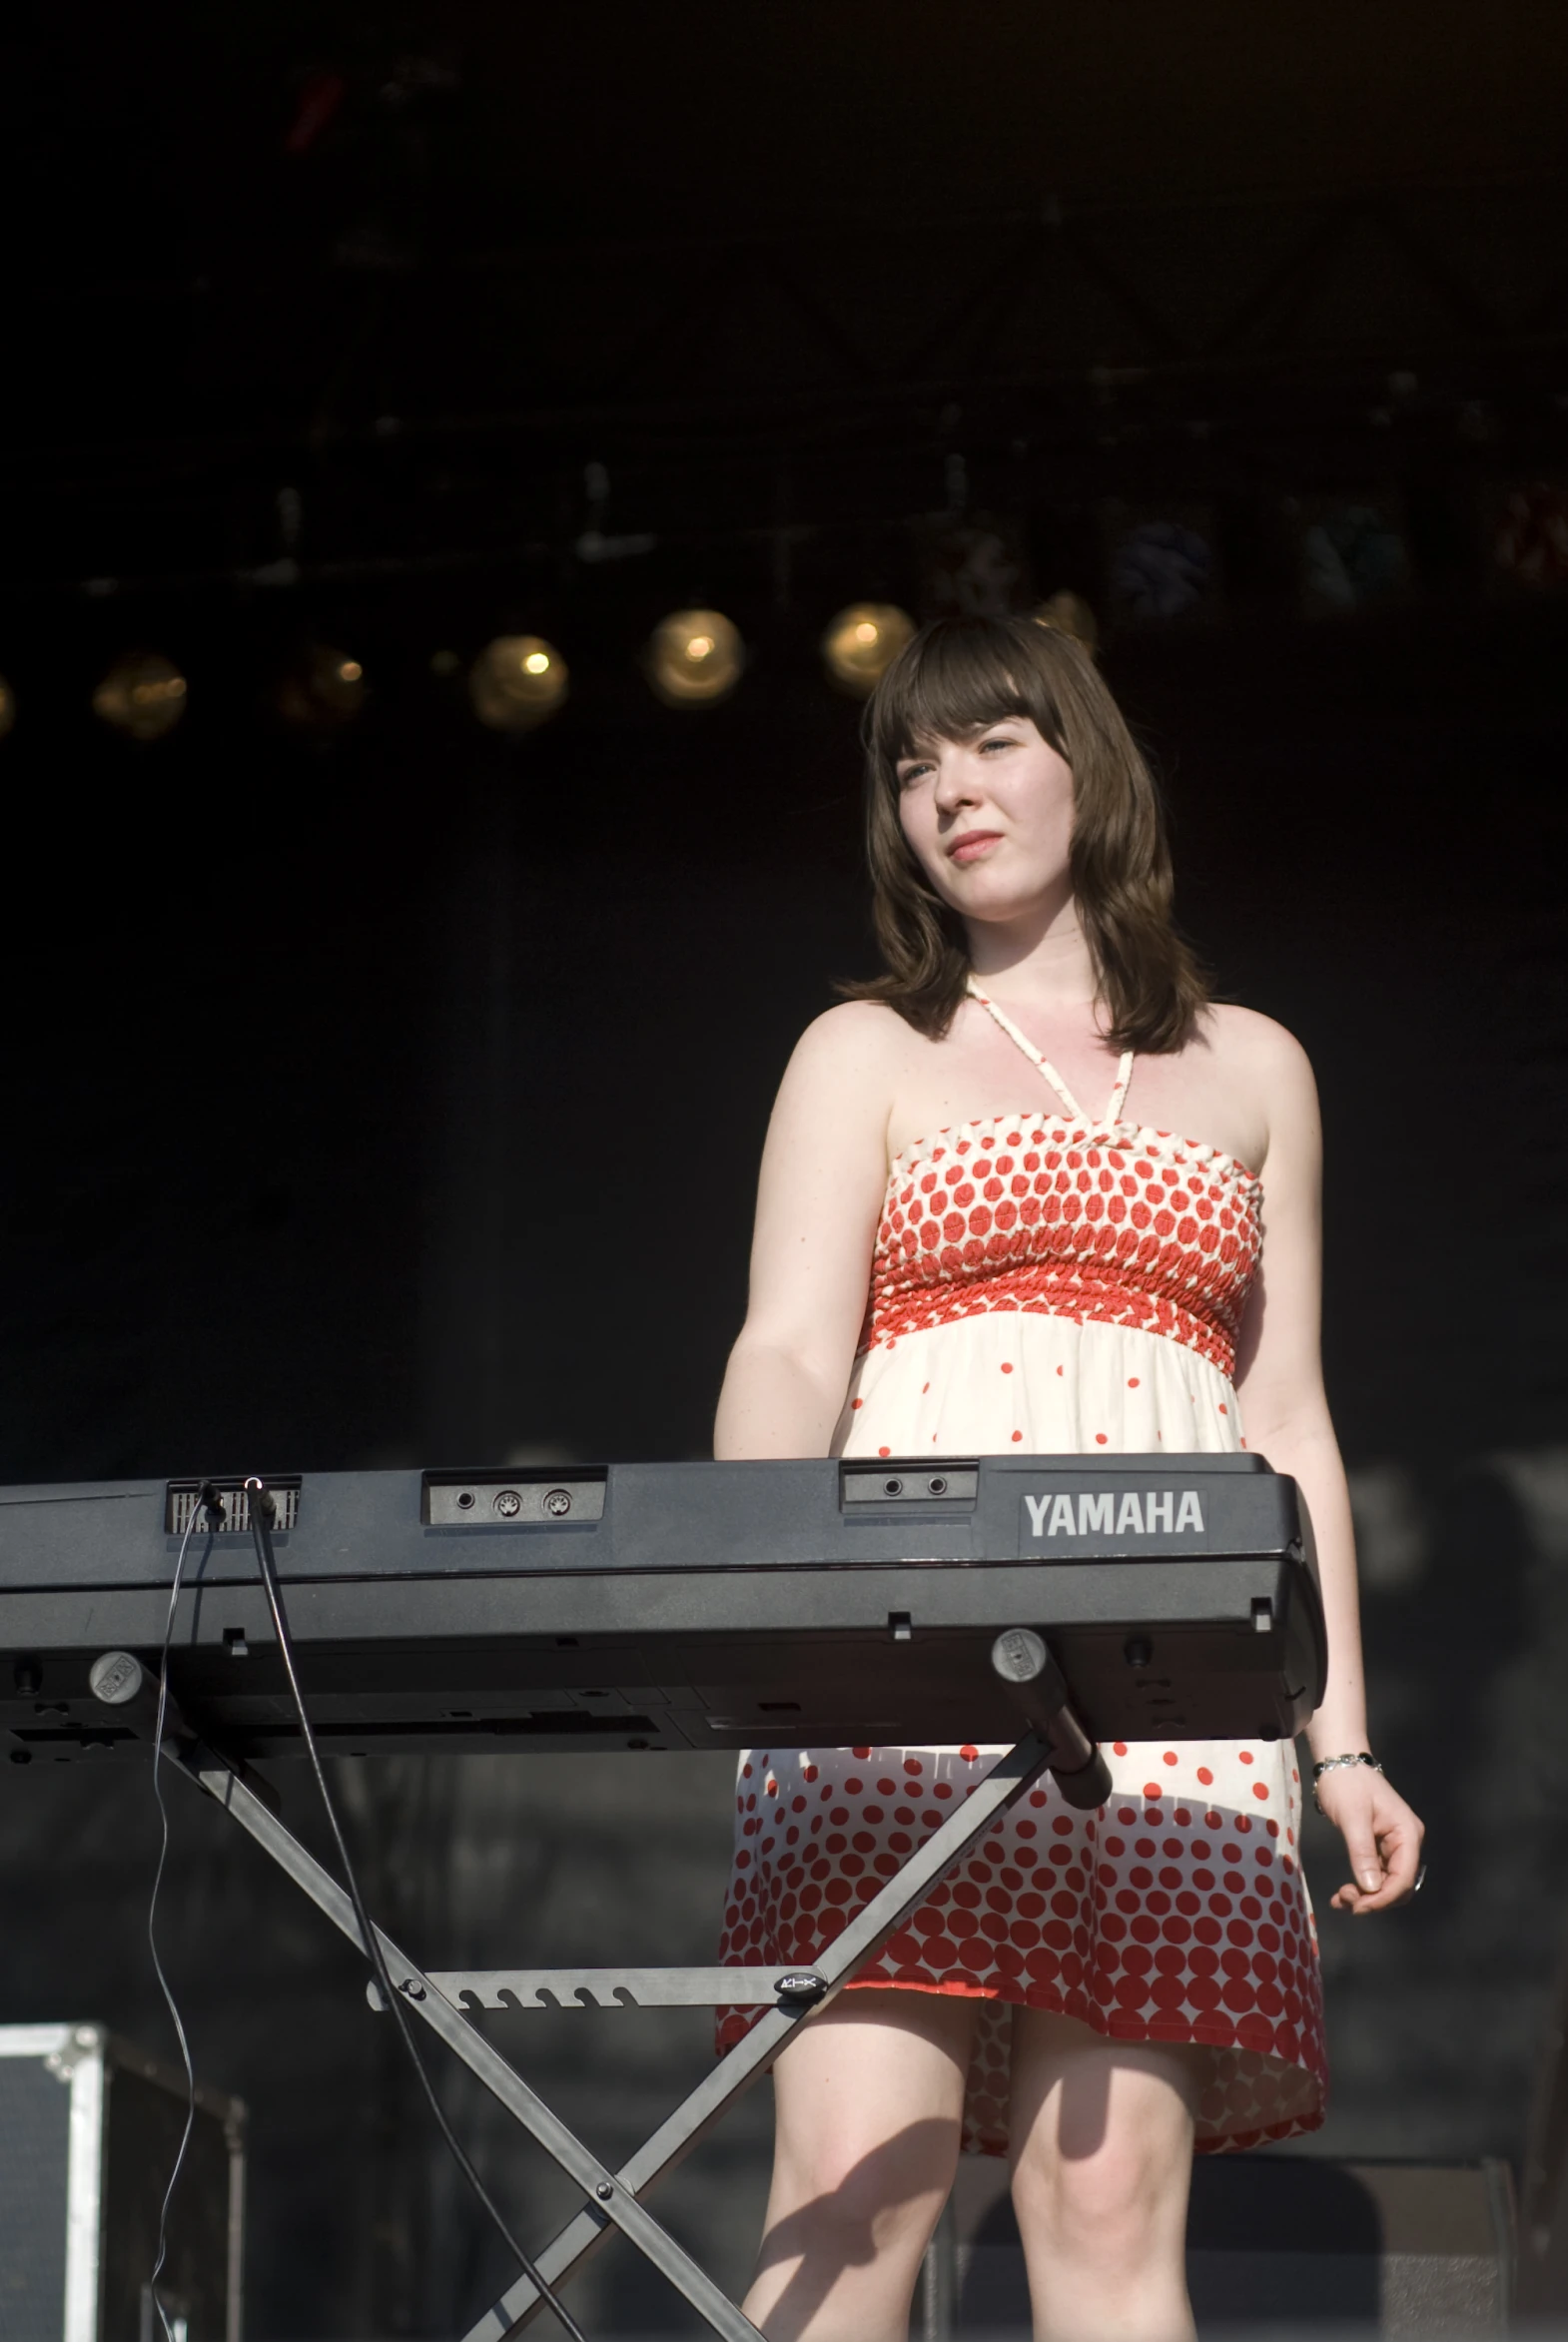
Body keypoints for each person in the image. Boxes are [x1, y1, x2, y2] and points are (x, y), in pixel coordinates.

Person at [711, 613, 1425, 2342]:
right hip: (895, 1662)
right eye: (907, 765)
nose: (946, 791)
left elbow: (1289, 1419)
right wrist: (751, 1596)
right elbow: (789, 1351)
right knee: (851, 2195)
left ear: (1088, 763)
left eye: (990, 743)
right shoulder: (862, 1052)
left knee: (1105, 2208)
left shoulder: (1254, 1067)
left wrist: (1342, 1745)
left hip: (1179, 1697)